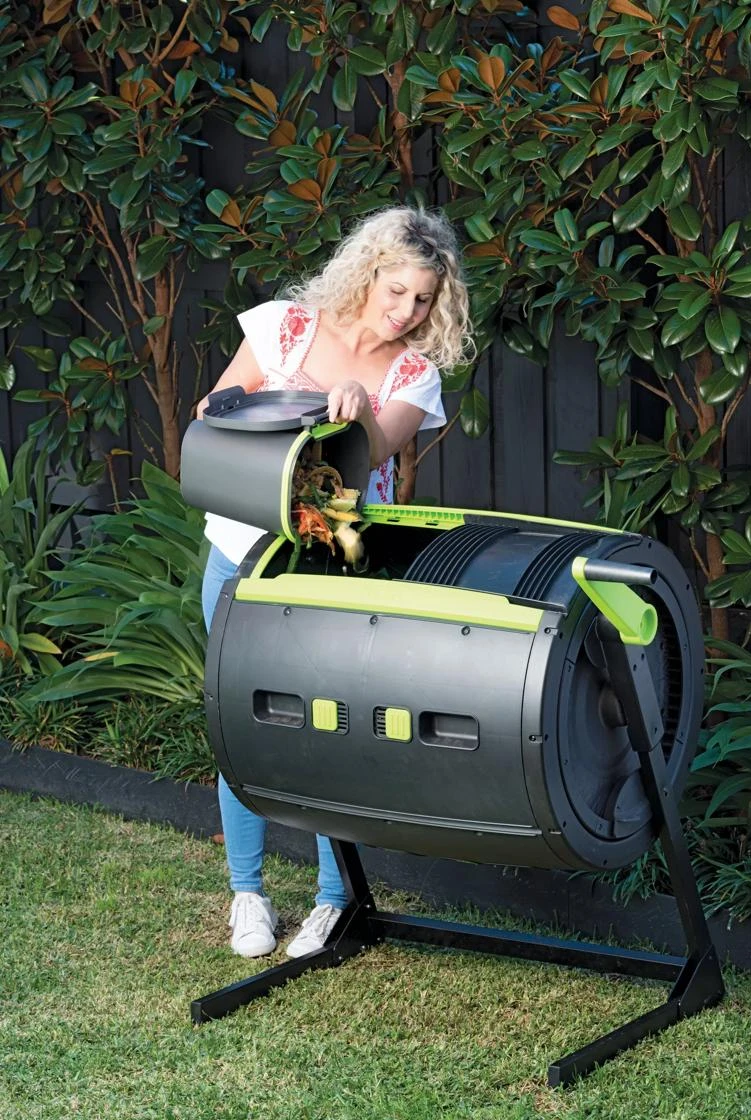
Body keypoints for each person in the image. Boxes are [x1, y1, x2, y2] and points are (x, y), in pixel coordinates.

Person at [196, 207, 472, 959]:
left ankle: (331, 900)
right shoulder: (283, 328)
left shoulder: (414, 374)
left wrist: (354, 408)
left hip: (332, 565)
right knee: (237, 722)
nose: (406, 311)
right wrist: (270, 404)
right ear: (367, 272)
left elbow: (375, 449)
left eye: (423, 299)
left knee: (330, 725)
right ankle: (247, 891)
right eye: (396, 291)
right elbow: (214, 408)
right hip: (239, 550)